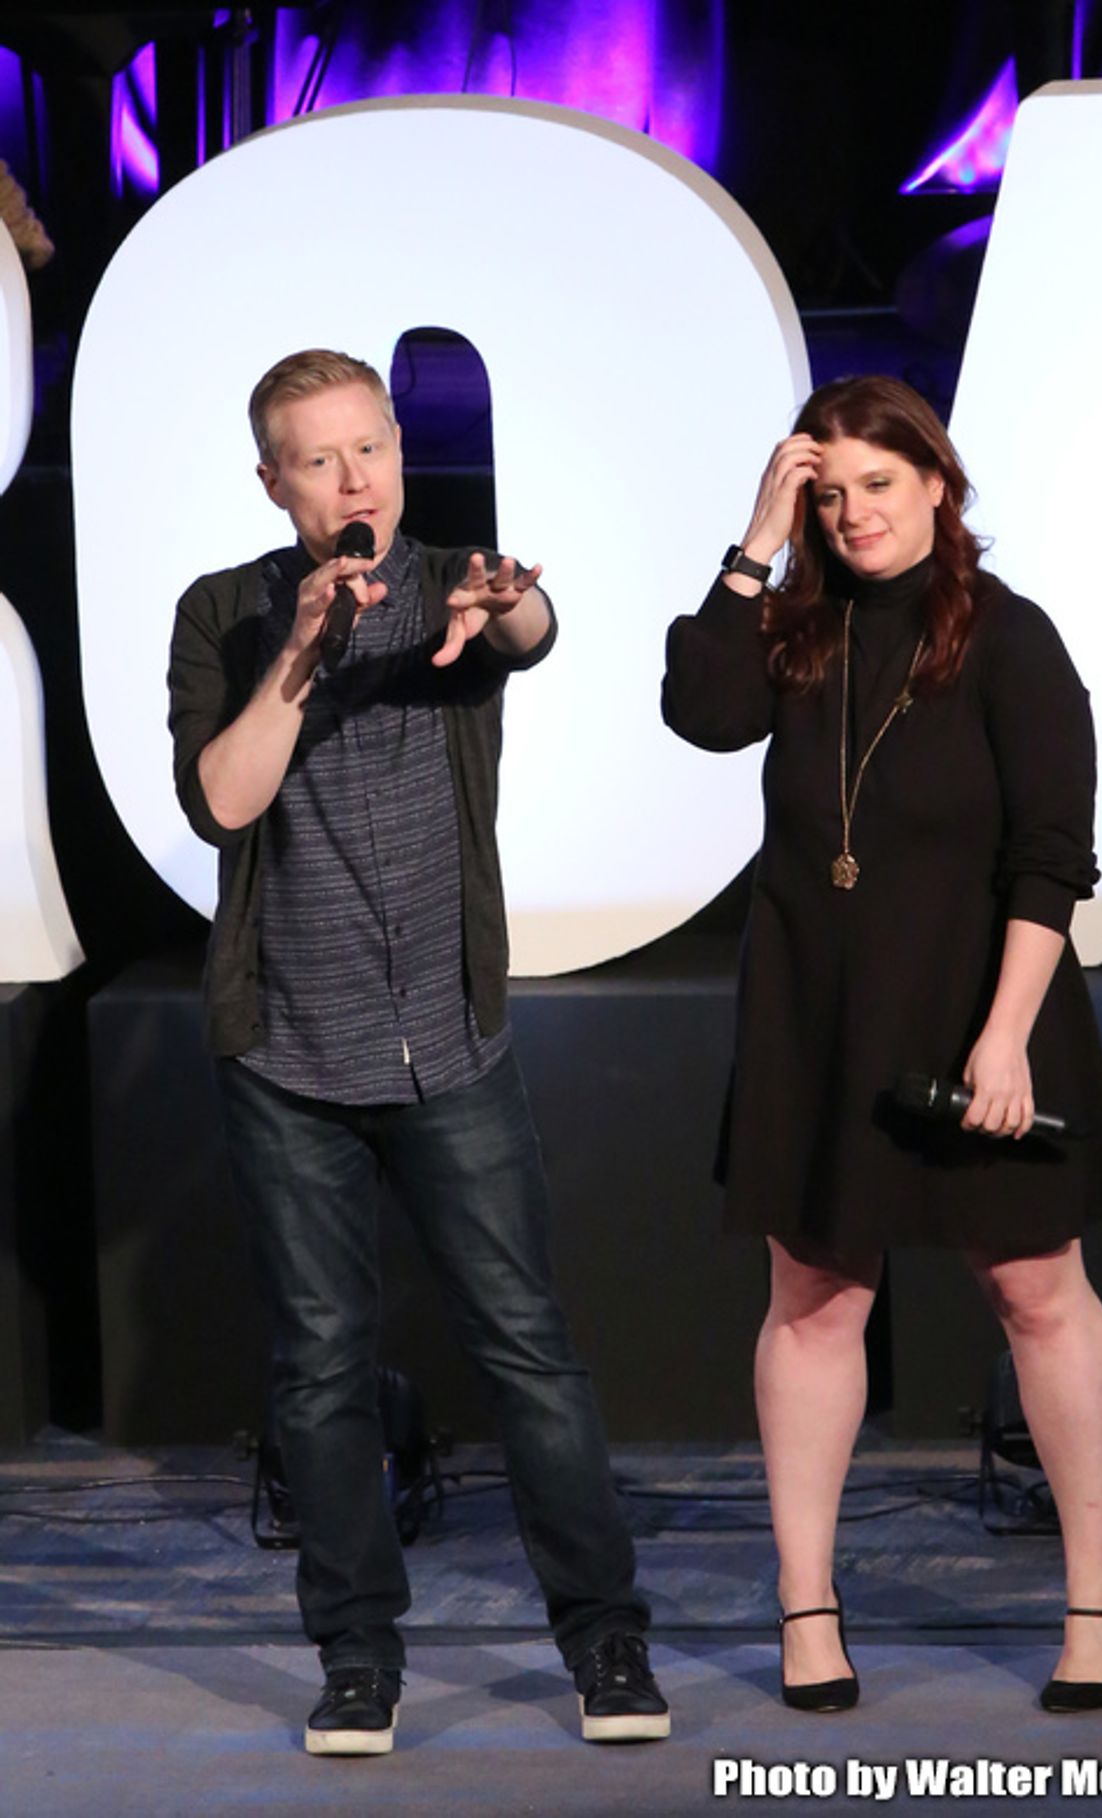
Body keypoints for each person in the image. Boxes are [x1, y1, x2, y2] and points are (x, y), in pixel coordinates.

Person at [167, 349, 669, 1754]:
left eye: (368, 452)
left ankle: (604, 1635)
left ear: (398, 450)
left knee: (529, 1350)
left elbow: (531, 630)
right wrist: (303, 649)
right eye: (317, 462)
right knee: (323, 1368)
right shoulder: (226, 612)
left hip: (451, 1041)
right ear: (274, 483)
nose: (352, 482)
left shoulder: (460, 575)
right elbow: (222, 800)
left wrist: (515, 603)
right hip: (291, 1057)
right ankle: (357, 1657)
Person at [662, 375, 1102, 1716]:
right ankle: (808, 1605)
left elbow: (1053, 860)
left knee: (1038, 1291)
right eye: (829, 491)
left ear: (939, 483)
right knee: (815, 1304)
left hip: (983, 1005)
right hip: (819, 1012)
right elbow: (699, 707)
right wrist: (756, 539)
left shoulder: (1011, 641)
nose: (854, 513)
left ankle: (1095, 1590)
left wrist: (1006, 1036)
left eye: (880, 484)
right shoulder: (795, 632)